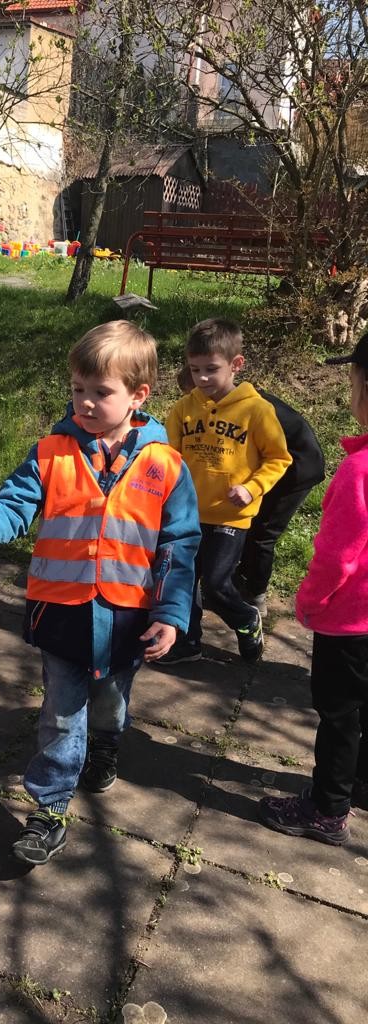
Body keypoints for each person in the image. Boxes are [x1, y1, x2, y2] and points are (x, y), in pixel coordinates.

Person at [0, 321, 200, 866]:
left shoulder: (166, 465)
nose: (85, 402)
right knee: (61, 713)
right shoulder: (52, 452)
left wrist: (171, 612)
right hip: (60, 611)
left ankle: (105, 745)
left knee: (110, 702)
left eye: (101, 392)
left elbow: (178, 544)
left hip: (128, 617)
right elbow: (14, 503)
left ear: (138, 395)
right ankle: (50, 807)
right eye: (77, 389)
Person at [259, 334, 368, 846]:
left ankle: (327, 809)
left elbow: (336, 556)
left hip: (349, 624)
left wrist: (308, 604)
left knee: (339, 716)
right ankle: (358, 784)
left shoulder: (359, 471)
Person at [163, 319, 291, 663]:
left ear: (236, 364)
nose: (202, 378)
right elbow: (168, 456)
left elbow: (279, 458)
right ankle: (187, 643)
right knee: (182, 581)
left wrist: (252, 488)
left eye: (211, 369)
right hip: (187, 514)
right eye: (195, 370)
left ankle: (246, 618)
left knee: (216, 586)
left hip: (230, 517)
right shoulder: (183, 409)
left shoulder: (257, 410)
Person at [175, 365, 326, 617]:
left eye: (195, 393)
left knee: (263, 531)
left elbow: (275, 455)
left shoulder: (250, 406)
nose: (197, 400)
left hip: (299, 466)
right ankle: (233, 583)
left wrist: (251, 487)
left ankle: (255, 595)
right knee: (247, 521)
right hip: (273, 461)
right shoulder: (219, 404)